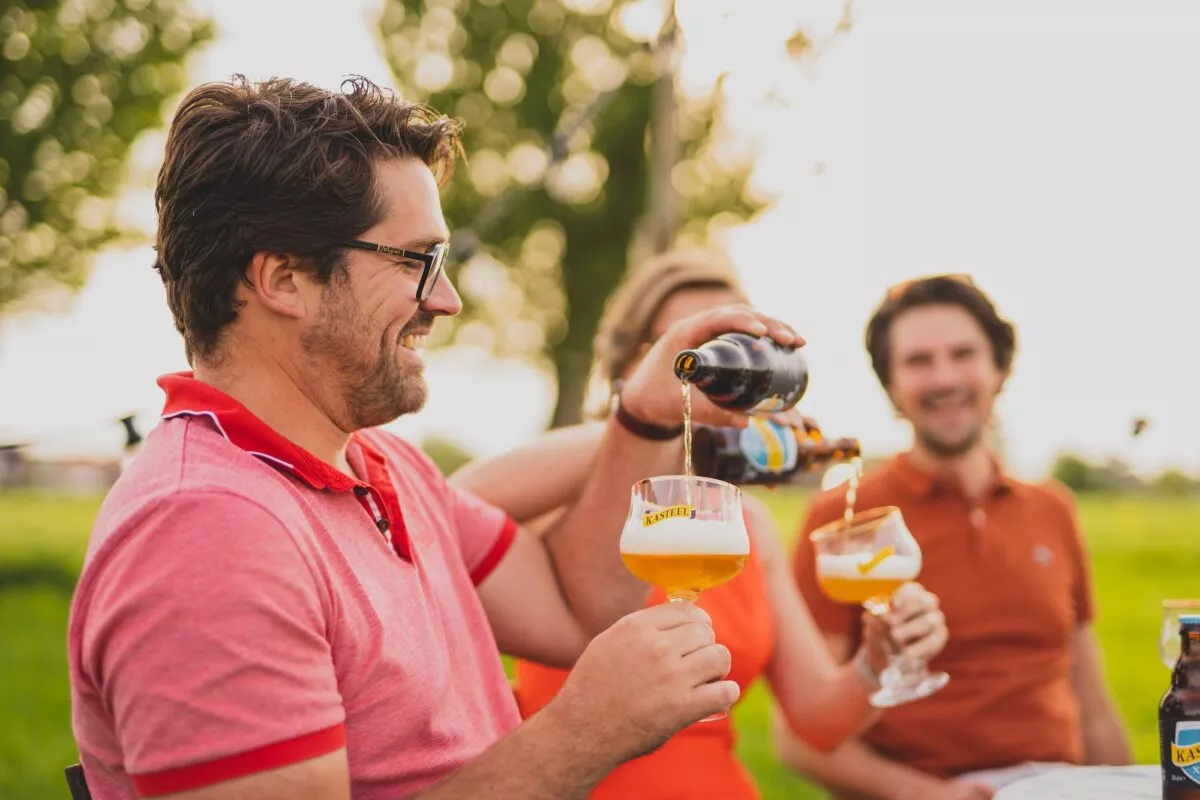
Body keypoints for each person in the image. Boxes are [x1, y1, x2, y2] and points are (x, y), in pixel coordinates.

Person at [65, 76, 807, 800]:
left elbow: (575, 605)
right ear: (284, 279)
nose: (446, 300)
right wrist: (581, 733)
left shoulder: (385, 464)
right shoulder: (208, 529)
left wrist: (643, 414)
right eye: (419, 262)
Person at [450, 250, 950, 800]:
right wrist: (651, 423)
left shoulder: (745, 529)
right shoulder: (570, 503)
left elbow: (818, 721)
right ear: (629, 367)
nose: (701, 373)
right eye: (675, 349)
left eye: (725, 348)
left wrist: (876, 664)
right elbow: (444, 510)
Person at [775, 275, 1132, 800]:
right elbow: (797, 738)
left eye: (963, 354)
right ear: (892, 389)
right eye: (918, 362)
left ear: (1000, 369)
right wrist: (925, 795)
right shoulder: (840, 520)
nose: (944, 378)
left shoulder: (1052, 507)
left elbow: (1093, 703)